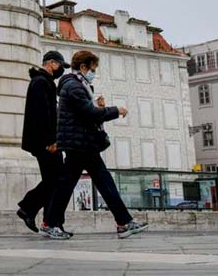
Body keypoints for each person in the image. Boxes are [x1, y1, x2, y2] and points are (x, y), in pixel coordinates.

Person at [41, 50, 148, 240]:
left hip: (82, 142)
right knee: (87, 183)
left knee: (88, 182)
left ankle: (123, 222)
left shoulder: (77, 85)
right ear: (83, 67)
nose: (93, 73)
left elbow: (86, 112)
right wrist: (115, 110)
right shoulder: (74, 86)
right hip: (80, 143)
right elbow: (89, 113)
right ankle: (51, 223)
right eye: (92, 69)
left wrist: (99, 107)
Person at [16, 51, 69, 234]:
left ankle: (49, 221)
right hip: (46, 142)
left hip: (45, 140)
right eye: (60, 65)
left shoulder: (44, 82)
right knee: (56, 179)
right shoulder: (41, 82)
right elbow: (43, 113)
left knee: (53, 180)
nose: (61, 69)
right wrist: (52, 140)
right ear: (51, 63)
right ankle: (30, 208)